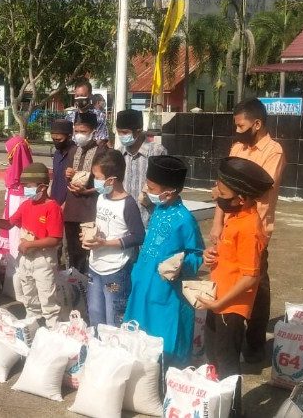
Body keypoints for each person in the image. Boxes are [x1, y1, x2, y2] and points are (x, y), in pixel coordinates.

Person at [210, 98, 285, 363]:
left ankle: (253, 344)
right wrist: (218, 221)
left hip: (256, 225)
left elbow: (256, 187)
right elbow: (225, 188)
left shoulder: (272, 151)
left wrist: (229, 191)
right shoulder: (237, 146)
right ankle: (229, 332)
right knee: (227, 275)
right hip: (231, 221)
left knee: (256, 284)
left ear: (257, 123)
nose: (238, 130)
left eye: (241, 125)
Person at [199, 157, 273, 385]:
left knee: (227, 363)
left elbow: (251, 276)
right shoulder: (234, 216)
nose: (217, 196)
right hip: (218, 297)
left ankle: (232, 408)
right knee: (213, 356)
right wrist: (211, 255)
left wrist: (221, 304)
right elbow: (231, 258)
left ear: (241, 198)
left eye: (222, 193)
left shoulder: (249, 227)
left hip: (230, 306)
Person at [124, 156, 205, 366]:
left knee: (165, 341)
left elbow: (197, 254)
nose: (146, 189)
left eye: (151, 187)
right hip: (143, 285)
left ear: (168, 192)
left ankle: (166, 380)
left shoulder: (185, 219)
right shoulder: (159, 210)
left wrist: (181, 265)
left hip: (166, 294)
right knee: (139, 337)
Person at [0, 163, 63, 328]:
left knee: (48, 299)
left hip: (43, 259)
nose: (25, 190)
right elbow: (10, 223)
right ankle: (33, 326)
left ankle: (53, 330)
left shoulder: (53, 208)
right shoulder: (26, 205)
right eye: (24, 186)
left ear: (42, 187)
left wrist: (31, 244)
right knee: (29, 296)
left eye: (29, 187)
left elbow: (55, 239)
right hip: (25, 258)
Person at [82, 149, 145, 327]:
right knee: (94, 314)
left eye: (98, 176)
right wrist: (89, 234)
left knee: (114, 317)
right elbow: (102, 227)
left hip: (116, 271)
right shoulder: (101, 197)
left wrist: (105, 243)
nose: (95, 181)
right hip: (95, 267)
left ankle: (115, 352)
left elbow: (139, 236)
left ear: (111, 180)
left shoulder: (128, 204)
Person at [63, 112, 105, 273]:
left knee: (90, 252)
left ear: (93, 131)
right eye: (77, 131)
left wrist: (87, 190)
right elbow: (69, 178)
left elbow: (105, 184)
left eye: (83, 131)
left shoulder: (102, 152)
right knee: (74, 253)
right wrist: (67, 175)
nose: (79, 135)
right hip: (72, 210)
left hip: (90, 210)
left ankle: (88, 289)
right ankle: (75, 286)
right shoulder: (74, 150)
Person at [116, 109, 167, 225]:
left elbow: (166, 188)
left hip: (149, 221)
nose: (121, 136)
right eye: (119, 132)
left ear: (138, 132)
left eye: (125, 132)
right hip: (123, 222)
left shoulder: (157, 152)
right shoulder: (119, 153)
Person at [0, 135, 33, 257]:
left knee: (17, 234)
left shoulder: (27, 182)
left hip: (17, 203)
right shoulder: (12, 167)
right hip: (11, 202)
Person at [49, 119, 75, 206]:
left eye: (59, 139)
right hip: (55, 202)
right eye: (53, 139)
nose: (56, 142)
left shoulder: (76, 154)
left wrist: (66, 203)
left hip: (69, 205)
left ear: (69, 136)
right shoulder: (57, 154)